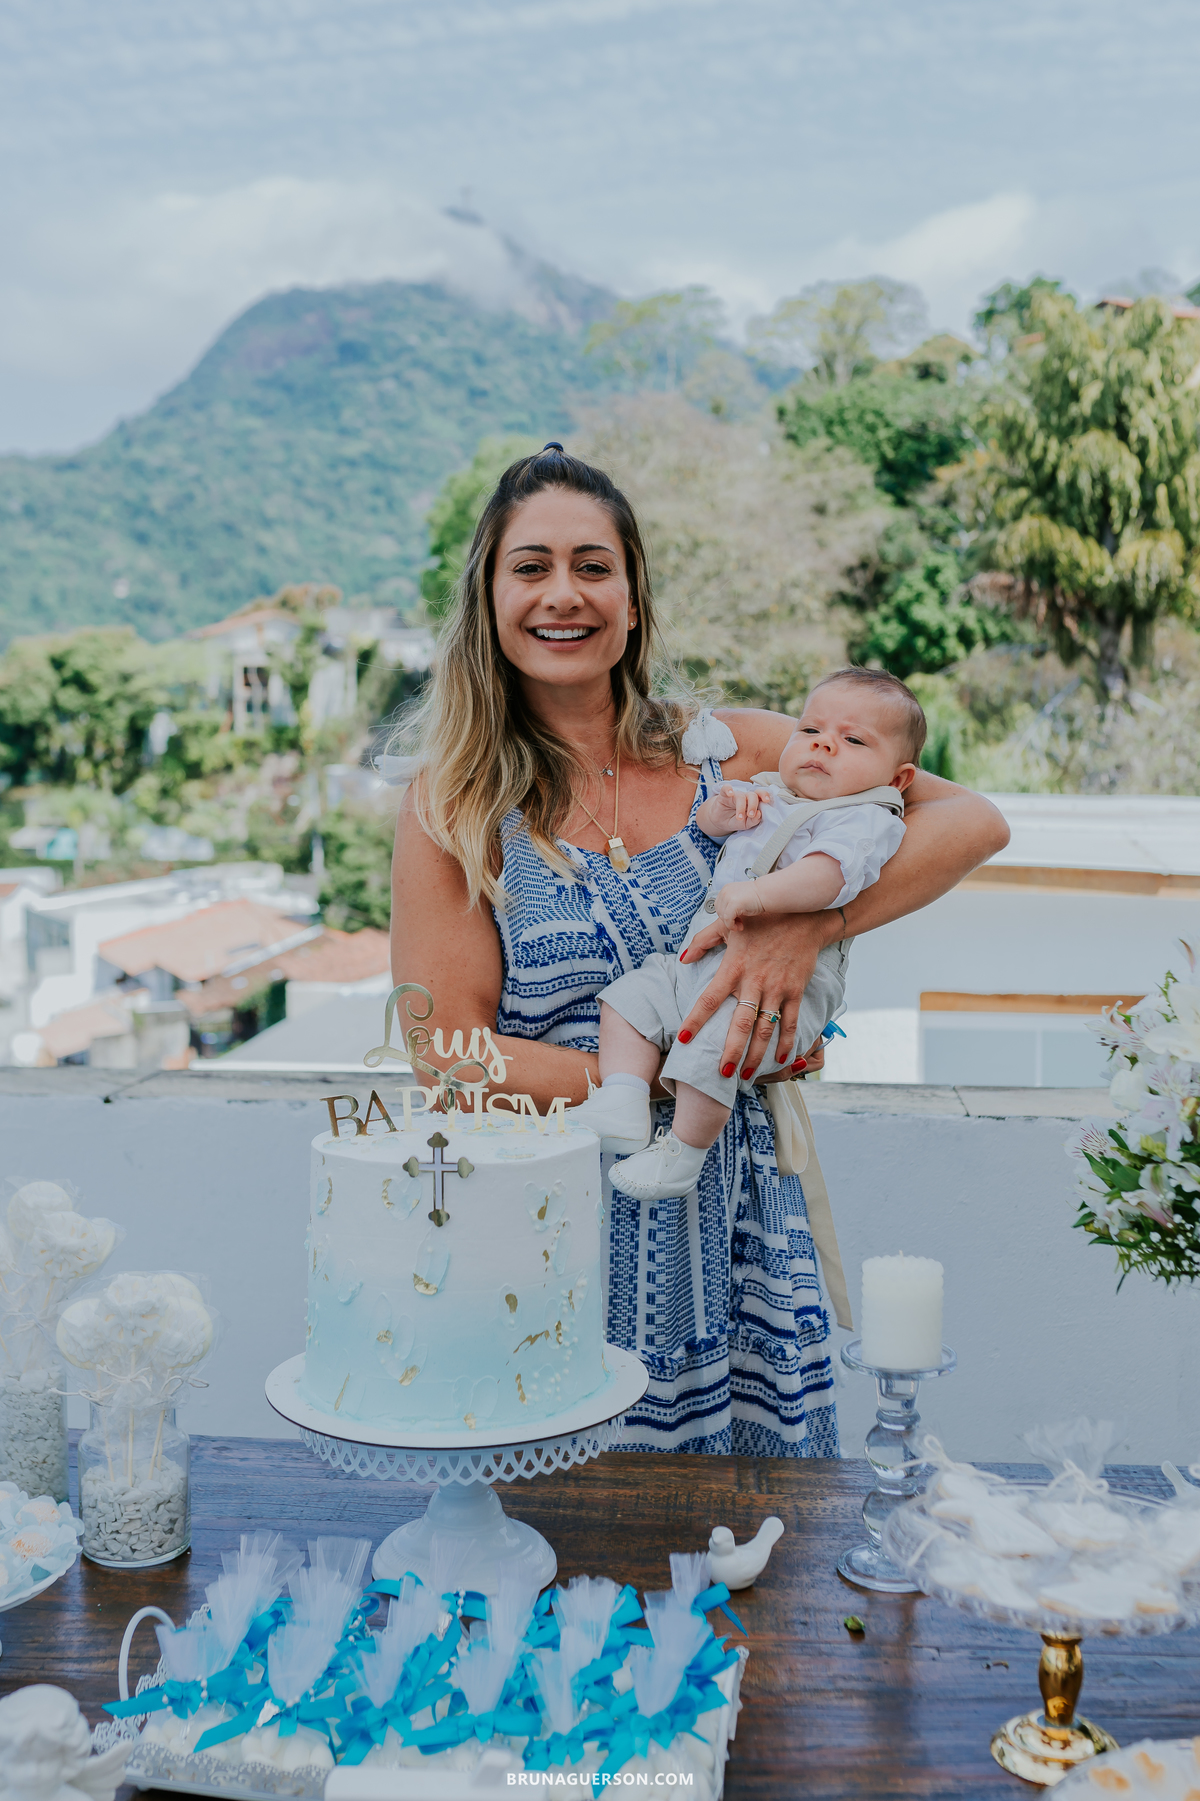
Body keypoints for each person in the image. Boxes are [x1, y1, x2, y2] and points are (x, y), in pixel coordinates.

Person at [390, 442, 1009, 1458]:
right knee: (581, 1554)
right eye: (531, 566)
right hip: (562, 1229)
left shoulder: (738, 748)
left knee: (762, 1558)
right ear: (489, 598)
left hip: (745, 1225)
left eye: (594, 566)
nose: (565, 594)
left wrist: (808, 924)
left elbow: (971, 820)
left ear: (632, 599)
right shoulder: (453, 806)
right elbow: (448, 1052)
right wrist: (653, 1079)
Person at [571, 668, 921, 1200]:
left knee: (719, 1044)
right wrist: (720, 814)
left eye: (852, 741)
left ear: (897, 779)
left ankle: (683, 1153)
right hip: (706, 952)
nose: (824, 744)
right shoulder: (770, 792)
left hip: (788, 978)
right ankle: (622, 1095)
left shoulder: (865, 817)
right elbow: (713, 834)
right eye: (810, 731)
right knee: (634, 996)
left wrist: (759, 897)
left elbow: (829, 875)